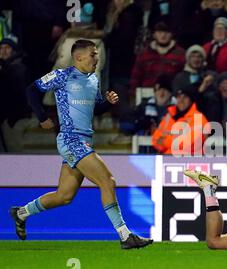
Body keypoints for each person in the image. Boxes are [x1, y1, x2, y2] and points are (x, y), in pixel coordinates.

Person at [9, 40, 152, 250]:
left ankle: (21, 213)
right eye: (93, 54)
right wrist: (41, 117)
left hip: (84, 140)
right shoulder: (62, 75)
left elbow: (94, 109)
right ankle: (124, 235)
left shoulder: (93, 79)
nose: (97, 58)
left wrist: (107, 103)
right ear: (79, 57)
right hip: (71, 139)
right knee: (108, 181)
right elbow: (32, 90)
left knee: (64, 196)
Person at [152, 83, 209, 155]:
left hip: (191, 162)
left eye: (185, 97)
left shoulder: (199, 119)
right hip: (167, 159)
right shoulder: (169, 116)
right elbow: (155, 140)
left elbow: (187, 145)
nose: (181, 100)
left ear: (191, 100)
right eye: (178, 97)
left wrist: (164, 141)